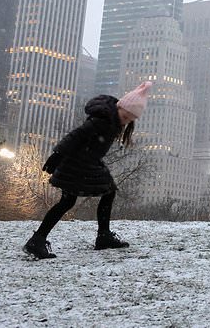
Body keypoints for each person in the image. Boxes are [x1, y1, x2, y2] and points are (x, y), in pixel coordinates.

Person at [23, 81, 150, 259]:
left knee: (98, 195)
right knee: (72, 201)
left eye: (130, 119)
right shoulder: (102, 120)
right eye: (125, 115)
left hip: (87, 161)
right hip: (78, 162)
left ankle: (101, 236)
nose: (126, 120)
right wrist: (56, 156)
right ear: (120, 107)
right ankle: (38, 241)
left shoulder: (112, 119)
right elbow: (76, 136)